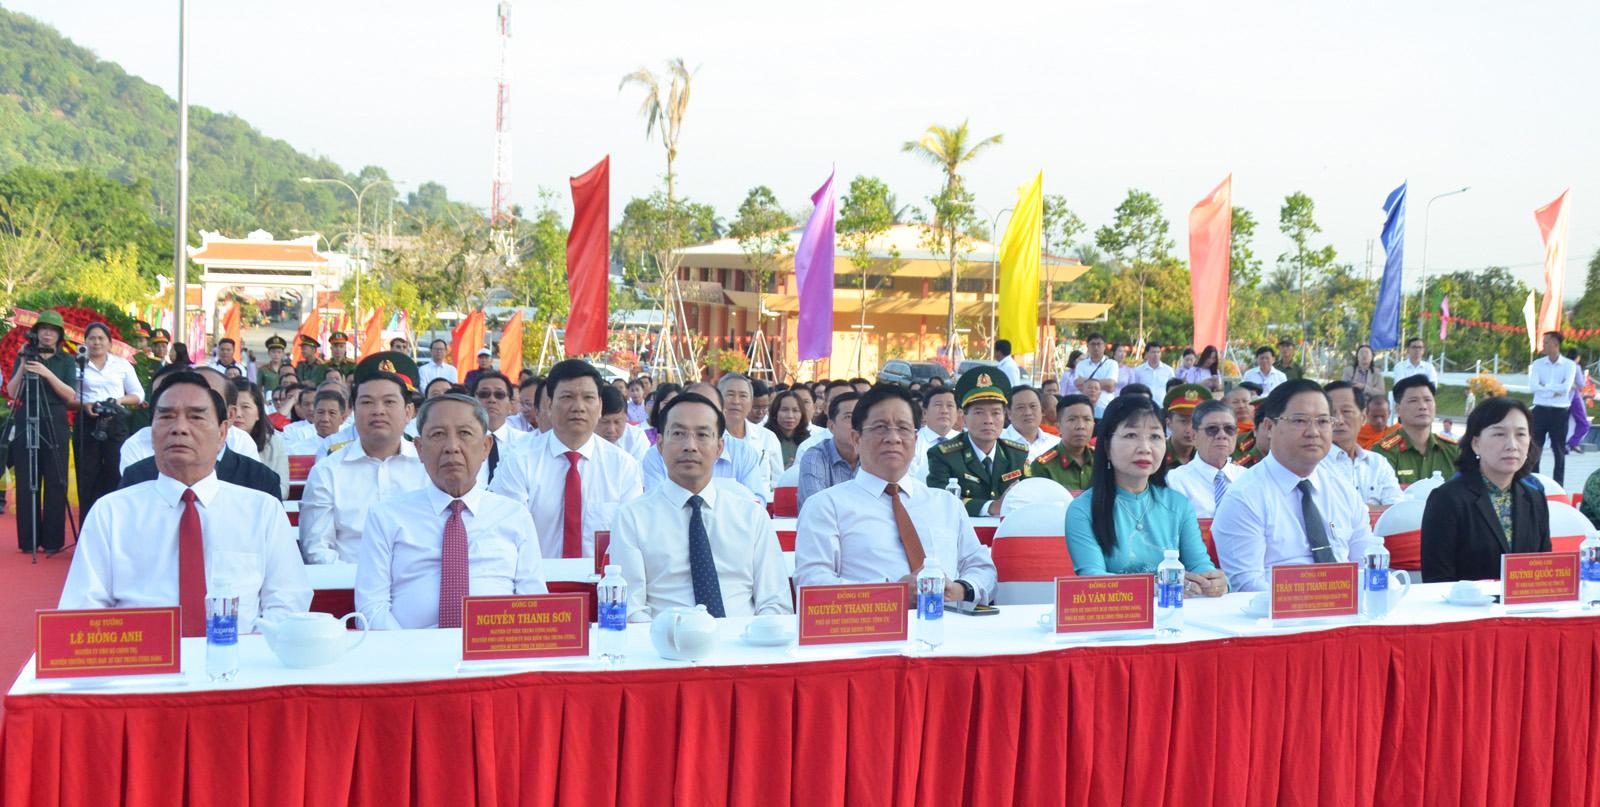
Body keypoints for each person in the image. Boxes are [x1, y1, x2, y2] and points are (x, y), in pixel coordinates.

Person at [59, 371, 310, 635]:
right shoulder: (111, 513)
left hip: (239, 654)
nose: (179, 428)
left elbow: (287, 601)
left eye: (196, 417)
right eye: (166, 417)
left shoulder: (262, 511)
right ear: (151, 432)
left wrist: (245, 653)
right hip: (141, 656)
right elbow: (83, 609)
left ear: (222, 432)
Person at [355, 393, 547, 629]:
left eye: (465, 433)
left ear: (486, 447)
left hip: (495, 645)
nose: (452, 448)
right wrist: (408, 648)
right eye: (438, 435)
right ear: (419, 448)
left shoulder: (514, 515)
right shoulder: (386, 516)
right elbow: (371, 607)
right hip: (409, 646)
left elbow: (533, 601)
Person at [795, 384, 996, 605]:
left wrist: (962, 589)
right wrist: (889, 594)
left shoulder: (946, 503)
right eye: (880, 428)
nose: (893, 438)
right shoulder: (825, 506)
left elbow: (983, 569)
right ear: (856, 439)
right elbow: (811, 584)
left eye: (903, 428)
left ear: (916, 440)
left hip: (948, 622)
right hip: (869, 624)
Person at [612, 393, 791, 620]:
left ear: (719, 447)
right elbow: (631, 609)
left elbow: (775, 602)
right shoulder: (631, 517)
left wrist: (752, 637)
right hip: (664, 639)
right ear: (660, 444)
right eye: (678, 434)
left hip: (744, 638)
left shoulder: (751, 515)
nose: (690, 446)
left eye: (702, 435)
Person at [1210, 379, 1382, 592]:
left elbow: (1366, 566)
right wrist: (1318, 601)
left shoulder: (1343, 490)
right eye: (1300, 420)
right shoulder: (1244, 497)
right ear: (1269, 427)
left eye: (1323, 421)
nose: (1313, 432)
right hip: (1275, 610)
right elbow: (1247, 586)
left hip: (1347, 607)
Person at [1063, 396, 1226, 594]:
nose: (1145, 448)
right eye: (1131, 435)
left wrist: (1214, 581)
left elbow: (1199, 564)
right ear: (1106, 445)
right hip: (1117, 611)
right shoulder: (1083, 509)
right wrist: (1156, 587)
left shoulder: (1178, 505)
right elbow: (1093, 579)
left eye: (1155, 437)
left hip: (1173, 610)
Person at [491, 359, 643, 558]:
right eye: (567, 397)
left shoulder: (623, 467)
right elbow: (504, 534)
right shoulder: (519, 460)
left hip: (602, 577)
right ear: (549, 405)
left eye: (588, 398)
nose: (578, 407)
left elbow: (632, 541)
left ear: (599, 406)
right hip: (535, 576)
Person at [298, 353, 428, 564]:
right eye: (367, 402)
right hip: (347, 580)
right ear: (353, 411)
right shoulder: (327, 471)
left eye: (389, 402)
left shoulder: (429, 467)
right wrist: (360, 579)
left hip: (417, 579)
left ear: (408, 411)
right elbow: (317, 548)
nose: (378, 411)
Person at [1421, 396, 1549, 582]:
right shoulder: (1446, 499)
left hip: (1524, 601)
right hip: (1465, 601)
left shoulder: (1535, 498)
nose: (1512, 445)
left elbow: (1543, 570)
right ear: (1476, 444)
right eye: (1499, 434)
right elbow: (1437, 579)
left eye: (1521, 434)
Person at [6, 311, 78, 553]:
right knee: (27, 477)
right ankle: (28, 540)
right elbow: (12, 391)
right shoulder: (26, 355)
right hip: (27, 413)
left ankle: (53, 541)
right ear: (36, 332)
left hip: (55, 416)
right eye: (44, 329)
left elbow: (70, 395)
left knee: (56, 477)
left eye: (53, 330)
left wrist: (46, 373)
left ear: (59, 335)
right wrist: (23, 365)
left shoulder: (66, 360)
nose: (47, 334)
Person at [925, 366, 1030, 516]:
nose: (988, 420)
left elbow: (1030, 495)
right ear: (963, 417)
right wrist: (991, 507)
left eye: (995, 413)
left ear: (1005, 417)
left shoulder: (1017, 455)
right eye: (979, 413)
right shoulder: (944, 455)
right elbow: (940, 499)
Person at [74, 321, 144, 518]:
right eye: (92, 338)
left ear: (110, 343)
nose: (96, 342)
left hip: (115, 420)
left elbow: (138, 395)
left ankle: (115, 522)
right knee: (87, 475)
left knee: (115, 470)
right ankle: (88, 524)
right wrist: (85, 405)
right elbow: (69, 396)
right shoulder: (77, 364)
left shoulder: (121, 365)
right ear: (85, 342)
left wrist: (119, 400)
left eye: (101, 338)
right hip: (87, 420)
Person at [1320, 381, 1402, 506]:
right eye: (1331, 413)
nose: (1339, 420)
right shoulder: (1313, 465)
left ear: (1363, 417)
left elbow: (1396, 509)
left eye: (1346, 411)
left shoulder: (1378, 463)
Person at [1164, 399, 1246, 519]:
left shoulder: (1248, 478)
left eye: (1229, 429)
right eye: (1212, 429)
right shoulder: (1175, 481)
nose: (1222, 435)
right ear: (1194, 436)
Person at [1374, 374, 1459, 485]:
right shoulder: (1384, 453)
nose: (1423, 406)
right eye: (1413, 401)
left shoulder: (1454, 450)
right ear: (1398, 409)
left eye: (1428, 400)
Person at [1528, 330, 1578, 486]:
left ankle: (1558, 485)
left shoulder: (1569, 365)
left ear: (1555, 344)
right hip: (1540, 410)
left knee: (1558, 450)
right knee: (1535, 448)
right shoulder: (1538, 364)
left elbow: (1565, 388)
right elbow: (1533, 387)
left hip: (1559, 411)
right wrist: (1553, 390)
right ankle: (1534, 483)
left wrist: (1545, 387)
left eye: (1546, 342)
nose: (1543, 345)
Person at [720, 373, 782, 496]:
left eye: (743, 396)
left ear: (750, 402)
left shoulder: (767, 437)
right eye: (730, 395)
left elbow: (778, 481)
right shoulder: (708, 439)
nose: (736, 401)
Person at [471, 370, 536, 485]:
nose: (492, 400)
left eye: (499, 395)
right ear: (472, 401)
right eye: (484, 394)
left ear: (511, 404)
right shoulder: (460, 443)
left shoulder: (527, 442)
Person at [798, 392, 860, 509]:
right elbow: (817, 507)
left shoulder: (875, 456)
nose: (857, 424)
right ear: (831, 426)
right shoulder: (815, 457)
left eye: (862, 417)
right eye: (849, 417)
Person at [231, 379, 291, 499]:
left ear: (258, 412)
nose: (237, 414)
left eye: (245, 407)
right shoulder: (214, 443)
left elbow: (282, 489)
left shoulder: (274, 443)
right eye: (232, 407)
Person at [1025, 394, 1097, 491]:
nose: (1081, 426)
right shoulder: (1043, 467)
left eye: (1087, 419)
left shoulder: (1101, 460)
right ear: (1058, 427)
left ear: (1093, 425)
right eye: (1072, 419)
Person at [909, 386, 961, 482]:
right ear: (925, 413)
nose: (944, 411)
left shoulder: (966, 440)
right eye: (938, 405)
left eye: (950, 406)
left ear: (957, 413)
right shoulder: (913, 441)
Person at [1000, 385, 1056, 462]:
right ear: (1009, 413)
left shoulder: (1056, 444)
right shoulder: (996, 442)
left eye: (1033, 406)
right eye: (1021, 407)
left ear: (1042, 410)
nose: (1028, 413)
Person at [597, 384, 651, 462]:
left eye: (617, 422)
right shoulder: (584, 437)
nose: (611, 429)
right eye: (605, 422)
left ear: (626, 417)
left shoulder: (636, 437)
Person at [1161, 384, 1209, 468]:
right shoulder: (1158, 455)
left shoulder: (1207, 458)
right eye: (1183, 421)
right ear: (1169, 424)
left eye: (1196, 421)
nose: (1190, 429)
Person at [765, 389, 811, 469]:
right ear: (775, 412)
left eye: (795, 410)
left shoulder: (808, 442)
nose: (790, 416)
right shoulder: (765, 439)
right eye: (784, 410)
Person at [1072, 332, 1119, 399]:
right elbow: (1078, 384)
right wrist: (1104, 383)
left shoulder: (1112, 364)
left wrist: (1086, 383)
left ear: (1104, 346)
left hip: (1105, 403)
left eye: (1099, 344)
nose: (1096, 347)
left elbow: (1110, 385)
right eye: (1093, 344)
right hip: (1085, 403)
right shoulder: (1081, 365)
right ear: (1088, 346)